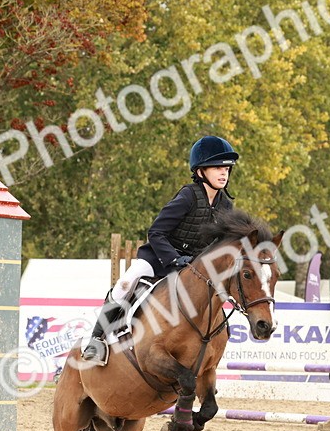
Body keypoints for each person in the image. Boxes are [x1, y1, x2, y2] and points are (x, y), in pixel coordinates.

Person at [80, 135, 239, 364]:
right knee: (126, 282)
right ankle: (96, 339)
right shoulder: (188, 196)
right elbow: (156, 232)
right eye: (216, 167)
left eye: (226, 168)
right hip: (159, 257)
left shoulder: (225, 205)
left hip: (193, 266)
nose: (223, 173)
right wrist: (174, 260)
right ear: (201, 171)